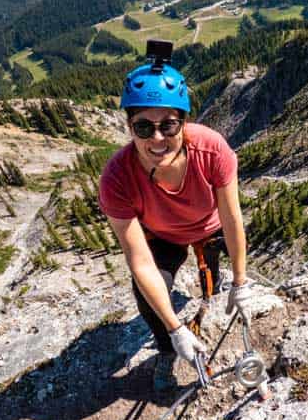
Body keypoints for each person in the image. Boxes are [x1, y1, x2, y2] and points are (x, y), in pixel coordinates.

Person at [99, 41, 256, 392]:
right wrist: (174, 329)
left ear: (184, 123)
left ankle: (204, 306)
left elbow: (232, 218)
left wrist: (241, 282)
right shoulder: (116, 179)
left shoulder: (212, 149)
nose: (157, 138)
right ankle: (168, 351)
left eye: (168, 126)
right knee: (148, 293)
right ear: (129, 126)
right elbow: (139, 262)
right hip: (163, 236)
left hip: (209, 229)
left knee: (211, 286)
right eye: (143, 128)